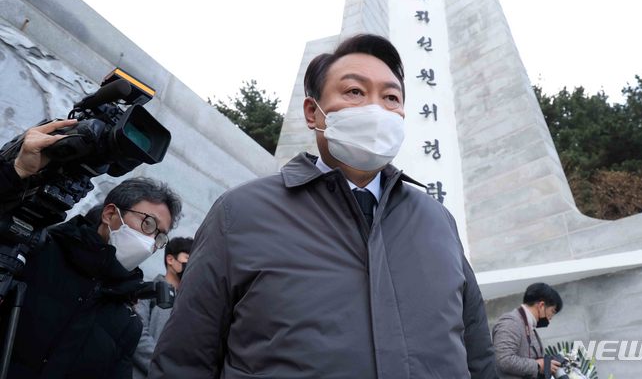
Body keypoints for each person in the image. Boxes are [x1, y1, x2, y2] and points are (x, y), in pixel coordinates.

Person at [149, 34, 497, 378]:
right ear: (313, 112)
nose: (376, 109)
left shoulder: (437, 220)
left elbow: (478, 355)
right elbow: (184, 360)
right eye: (355, 92)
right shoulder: (240, 213)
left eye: (391, 97)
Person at [0, 121, 183, 379]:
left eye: (159, 236)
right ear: (111, 214)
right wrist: (15, 171)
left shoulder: (126, 325)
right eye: (148, 223)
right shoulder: (32, 251)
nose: (151, 241)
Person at [132, 236, 193, 378]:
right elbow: (138, 333)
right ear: (170, 259)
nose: (192, 264)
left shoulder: (190, 303)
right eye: (188, 258)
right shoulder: (148, 291)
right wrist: (163, 367)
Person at [492, 283, 563, 379]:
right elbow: (504, 360)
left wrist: (547, 363)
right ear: (541, 305)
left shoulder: (527, 324)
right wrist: (538, 365)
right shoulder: (511, 322)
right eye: (552, 311)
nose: (551, 318)